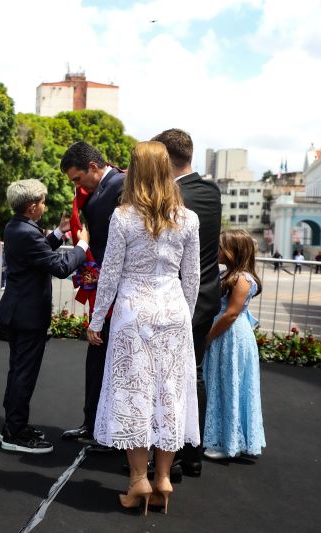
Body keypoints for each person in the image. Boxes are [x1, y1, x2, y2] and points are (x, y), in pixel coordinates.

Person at [86, 141, 200, 515]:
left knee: (133, 392)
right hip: (173, 313)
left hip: (134, 314)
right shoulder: (188, 219)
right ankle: (164, 478)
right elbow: (192, 278)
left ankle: (138, 480)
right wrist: (185, 315)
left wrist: (97, 318)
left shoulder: (122, 217)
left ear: (134, 172)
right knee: (169, 393)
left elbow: (111, 275)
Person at [0, 178, 90, 454]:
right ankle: (13, 433)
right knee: (23, 375)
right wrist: (82, 246)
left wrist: (59, 234)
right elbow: (60, 267)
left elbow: (36, 253)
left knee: (20, 372)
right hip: (27, 315)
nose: (44, 206)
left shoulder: (18, 226)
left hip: (19, 311)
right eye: (42, 202)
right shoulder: (26, 231)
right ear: (31, 207)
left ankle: (16, 424)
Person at [153, 128, 222, 477]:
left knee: (167, 377)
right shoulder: (211, 191)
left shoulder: (174, 199)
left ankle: (171, 452)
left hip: (176, 299)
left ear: (164, 159)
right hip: (208, 295)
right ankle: (192, 452)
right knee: (193, 375)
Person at [60, 141, 126, 449]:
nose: (77, 187)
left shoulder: (123, 186)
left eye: (77, 179)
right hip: (102, 287)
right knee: (96, 356)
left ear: (94, 168)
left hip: (120, 289)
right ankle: (92, 423)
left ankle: (112, 429)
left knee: (114, 360)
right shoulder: (97, 191)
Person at [202, 230, 266, 460]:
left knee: (229, 385)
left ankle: (227, 442)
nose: (217, 251)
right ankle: (223, 437)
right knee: (221, 384)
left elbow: (230, 315)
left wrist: (208, 337)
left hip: (230, 335)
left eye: (221, 247)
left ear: (233, 252)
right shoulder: (230, 275)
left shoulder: (242, 279)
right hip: (227, 334)